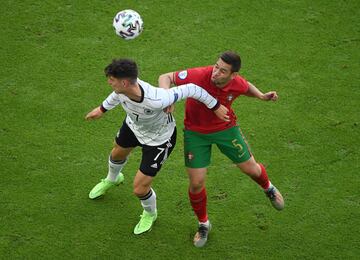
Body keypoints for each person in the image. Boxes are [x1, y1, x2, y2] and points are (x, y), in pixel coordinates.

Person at [85, 58, 229, 235]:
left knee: (139, 188)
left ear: (124, 82)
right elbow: (116, 95)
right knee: (116, 154)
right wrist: (101, 109)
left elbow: (192, 89)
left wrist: (215, 106)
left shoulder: (157, 98)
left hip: (159, 139)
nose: (109, 82)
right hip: (133, 127)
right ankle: (112, 179)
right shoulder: (122, 89)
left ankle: (150, 213)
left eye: (112, 79)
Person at [158, 51, 284, 247]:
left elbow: (246, 87)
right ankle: (203, 224)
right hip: (195, 134)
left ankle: (268, 188)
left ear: (233, 75)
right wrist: (168, 98)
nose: (215, 72)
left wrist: (261, 96)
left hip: (226, 129)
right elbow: (165, 77)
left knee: (251, 169)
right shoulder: (199, 75)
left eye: (222, 70)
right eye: (216, 66)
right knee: (196, 183)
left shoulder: (237, 82)